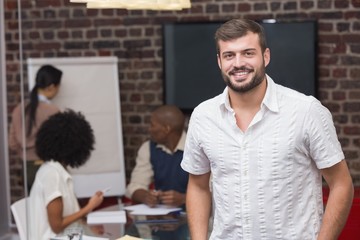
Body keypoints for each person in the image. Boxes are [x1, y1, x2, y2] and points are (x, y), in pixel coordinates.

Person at [181, 18, 354, 240]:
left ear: (266, 56)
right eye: (229, 55)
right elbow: (198, 186)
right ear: (219, 61)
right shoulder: (203, 116)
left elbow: (341, 184)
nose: (238, 63)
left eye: (248, 53)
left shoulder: (306, 111)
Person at [28, 110, 104, 240]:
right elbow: (57, 226)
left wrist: (87, 228)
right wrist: (90, 207)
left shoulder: (57, 170)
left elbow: (69, 216)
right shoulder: (52, 174)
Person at [9, 64, 62, 192]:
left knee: (33, 208)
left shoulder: (18, 109)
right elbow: (61, 143)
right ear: (51, 87)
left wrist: (26, 155)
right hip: (48, 167)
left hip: (27, 169)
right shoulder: (53, 111)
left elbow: (12, 143)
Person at [126, 105, 189, 208]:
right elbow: (135, 186)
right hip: (161, 218)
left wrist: (183, 198)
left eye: (152, 125)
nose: (149, 129)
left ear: (166, 129)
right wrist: (146, 196)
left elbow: (214, 191)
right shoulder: (148, 148)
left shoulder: (196, 148)